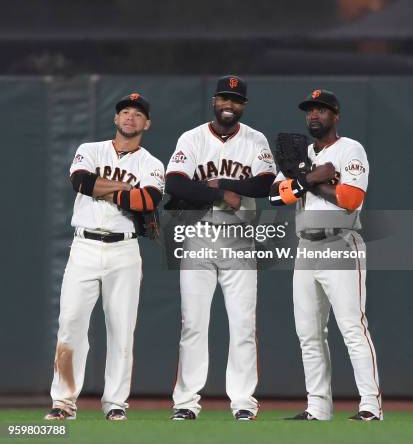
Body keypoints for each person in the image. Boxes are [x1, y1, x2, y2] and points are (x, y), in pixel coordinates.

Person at [44, 93, 164, 421]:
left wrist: (103, 187)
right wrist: (125, 193)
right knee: (70, 325)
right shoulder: (90, 150)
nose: (130, 117)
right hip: (83, 246)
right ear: (115, 119)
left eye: (137, 114)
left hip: (124, 249)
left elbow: (148, 200)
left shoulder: (152, 164)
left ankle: (115, 404)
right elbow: (80, 181)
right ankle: (63, 402)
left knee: (122, 329)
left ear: (146, 124)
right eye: (124, 111)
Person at [165, 76, 276, 421]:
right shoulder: (193, 138)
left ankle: (243, 401)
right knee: (193, 323)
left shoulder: (255, 139)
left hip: (240, 238)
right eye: (224, 98)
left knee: (243, 324)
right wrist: (217, 193)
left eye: (236, 99)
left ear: (243, 105)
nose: (229, 104)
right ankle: (186, 402)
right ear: (214, 101)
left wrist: (222, 182)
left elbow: (264, 183)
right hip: (198, 234)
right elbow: (174, 182)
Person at [269, 89, 382, 421]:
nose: (314, 115)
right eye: (310, 110)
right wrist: (314, 178)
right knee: (308, 333)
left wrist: (305, 183)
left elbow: (349, 198)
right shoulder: (299, 156)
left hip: (340, 243)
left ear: (336, 115)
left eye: (321, 109)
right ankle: (318, 407)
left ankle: (370, 406)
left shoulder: (351, 149)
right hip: (305, 248)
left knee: (352, 327)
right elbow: (275, 198)